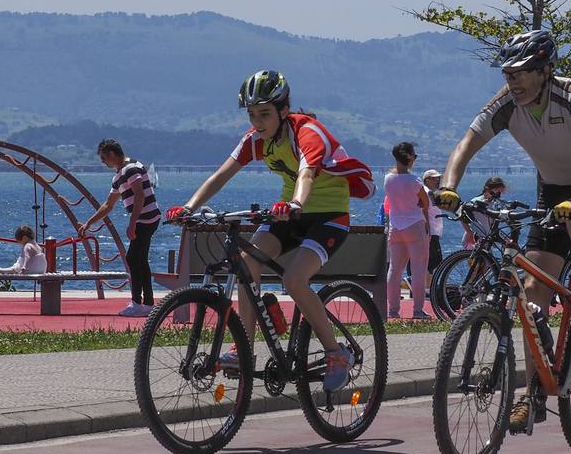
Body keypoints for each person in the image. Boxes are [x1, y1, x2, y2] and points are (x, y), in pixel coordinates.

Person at [434, 30, 571, 432]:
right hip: (553, 188)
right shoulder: (506, 104)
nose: (513, 82)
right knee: (533, 294)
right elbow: (466, 144)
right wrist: (449, 186)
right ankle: (532, 395)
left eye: (521, 73)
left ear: (545, 70)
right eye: (508, 74)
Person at [166, 70, 375, 392]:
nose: (258, 122)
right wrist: (189, 208)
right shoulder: (255, 140)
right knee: (247, 264)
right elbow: (221, 175)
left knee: (294, 279)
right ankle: (243, 349)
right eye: (252, 115)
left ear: (283, 110)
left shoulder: (307, 132)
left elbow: (306, 174)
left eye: (264, 114)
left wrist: (295, 203)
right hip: (288, 214)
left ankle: (337, 353)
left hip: (328, 217)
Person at [79, 139, 161, 317]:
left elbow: (139, 195)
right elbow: (108, 205)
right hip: (145, 219)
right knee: (139, 260)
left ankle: (139, 303)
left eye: (103, 158)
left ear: (111, 154)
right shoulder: (119, 176)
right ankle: (146, 303)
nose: (103, 162)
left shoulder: (131, 169)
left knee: (133, 259)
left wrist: (132, 222)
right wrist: (89, 223)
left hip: (146, 220)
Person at [383, 142, 431, 319]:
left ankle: (393, 310)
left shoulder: (388, 178)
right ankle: (418, 310)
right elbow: (426, 203)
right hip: (415, 226)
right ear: (410, 157)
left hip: (395, 228)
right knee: (418, 269)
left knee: (394, 271)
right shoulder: (414, 181)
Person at [461, 176, 509, 249]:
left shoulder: (496, 203)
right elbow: (462, 217)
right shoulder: (475, 202)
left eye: (500, 192)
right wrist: (469, 232)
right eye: (496, 190)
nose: (498, 194)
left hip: (486, 239)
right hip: (473, 240)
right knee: (481, 259)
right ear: (487, 189)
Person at [421, 169, 446, 293]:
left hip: (434, 231)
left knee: (433, 261)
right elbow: (423, 210)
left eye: (438, 178)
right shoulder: (426, 192)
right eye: (434, 178)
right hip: (431, 232)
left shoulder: (432, 193)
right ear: (427, 180)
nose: (437, 181)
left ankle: (427, 287)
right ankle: (426, 289)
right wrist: (428, 229)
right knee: (433, 261)